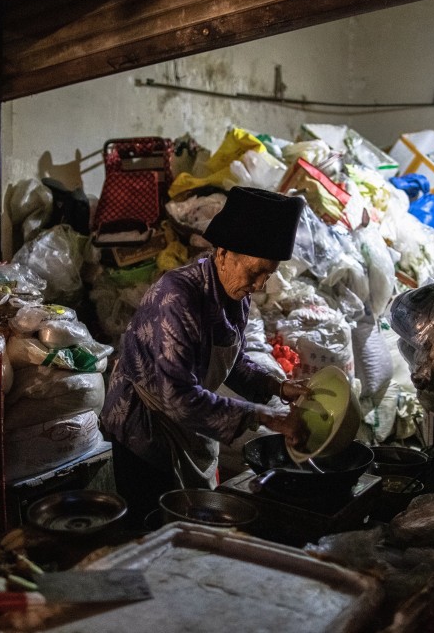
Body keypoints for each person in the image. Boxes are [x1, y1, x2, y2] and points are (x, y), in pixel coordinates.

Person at [100, 186, 311, 528]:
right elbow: (178, 397)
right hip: (147, 429)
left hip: (188, 428)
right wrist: (267, 417)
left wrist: (279, 387)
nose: (259, 285)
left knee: (193, 526)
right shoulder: (177, 298)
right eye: (255, 272)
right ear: (223, 253)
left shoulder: (235, 295)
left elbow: (231, 361)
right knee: (157, 530)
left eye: (268, 274)